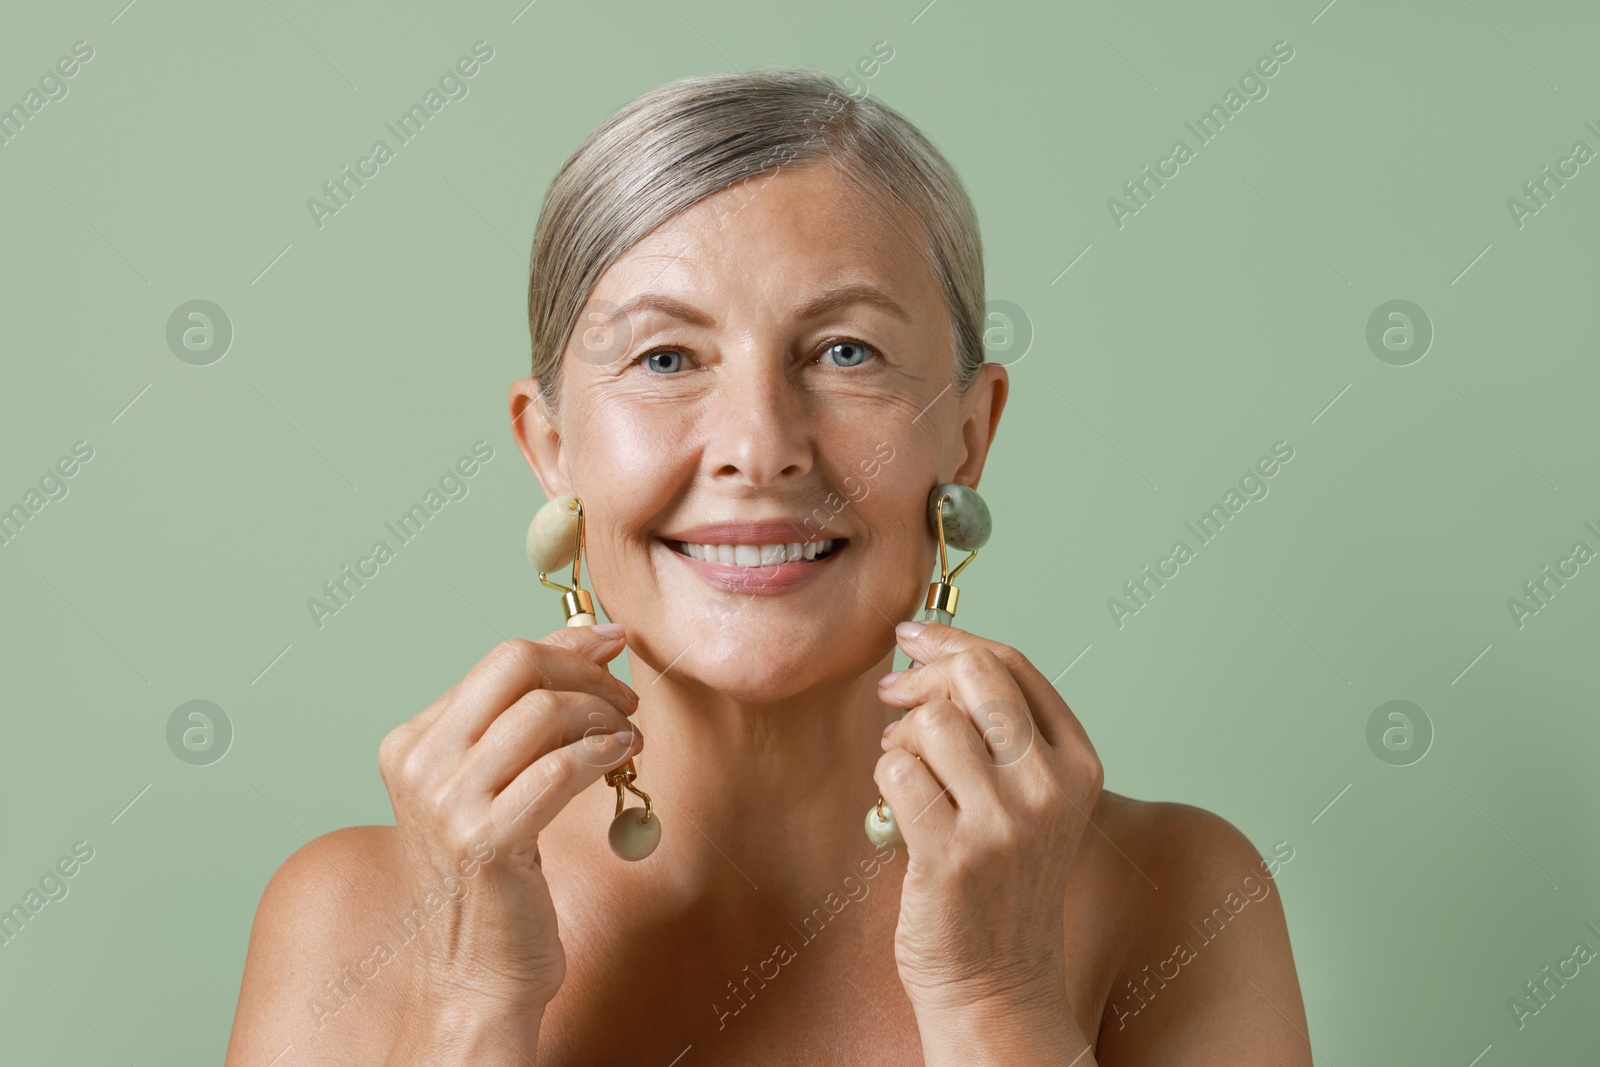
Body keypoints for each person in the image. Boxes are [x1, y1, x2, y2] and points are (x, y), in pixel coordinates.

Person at [224, 68, 1311, 1065]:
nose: (759, 442)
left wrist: (997, 996)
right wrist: (472, 999)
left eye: (846, 351)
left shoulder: (1174, 895)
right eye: (664, 358)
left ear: (968, 433)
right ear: (551, 446)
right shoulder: (353, 914)